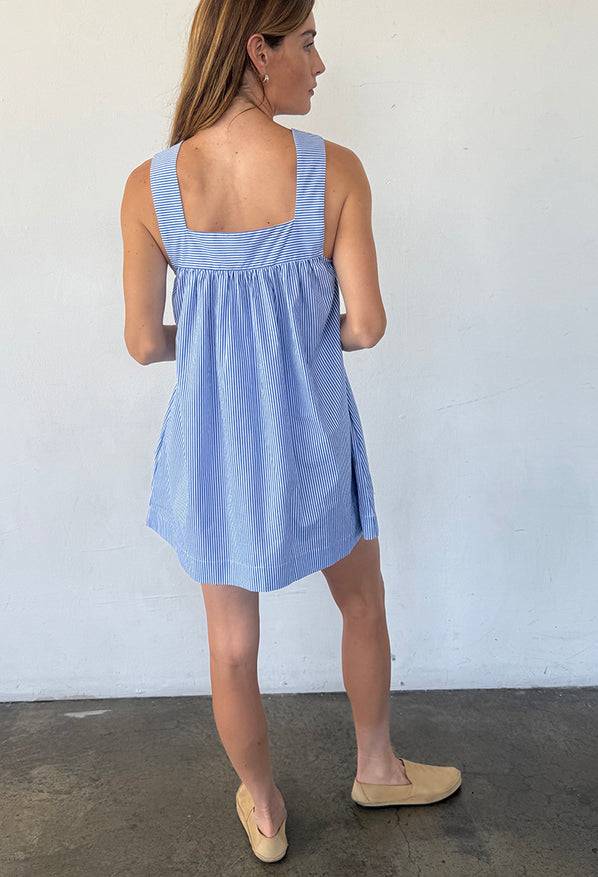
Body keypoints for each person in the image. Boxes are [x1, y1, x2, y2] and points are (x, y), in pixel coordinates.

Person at [120, 0, 461, 863]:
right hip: (310, 436)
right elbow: (369, 325)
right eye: (307, 42)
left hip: (214, 453)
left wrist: (211, 345)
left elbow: (140, 342)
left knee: (232, 648)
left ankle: (266, 810)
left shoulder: (150, 187)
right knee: (362, 597)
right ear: (257, 51)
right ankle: (376, 764)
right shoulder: (334, 170)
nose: (320, 63)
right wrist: (298, 334)